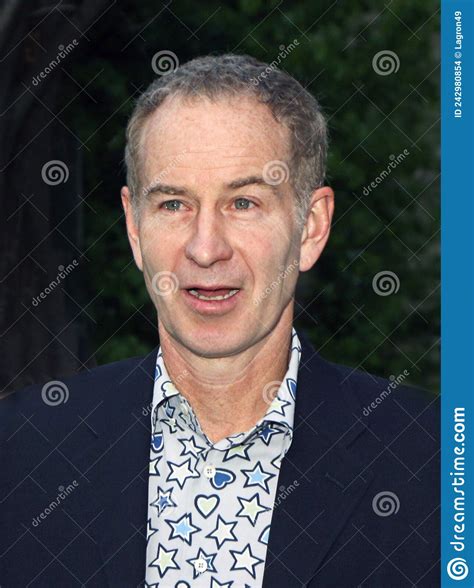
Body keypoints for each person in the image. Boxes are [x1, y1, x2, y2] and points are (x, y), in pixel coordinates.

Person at [0, 54, 439, 587]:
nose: (205, 249)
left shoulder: (435, 468)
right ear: (135, 228)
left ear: (311, 227)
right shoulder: (19, 455)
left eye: (244, 203)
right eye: (173, 205)